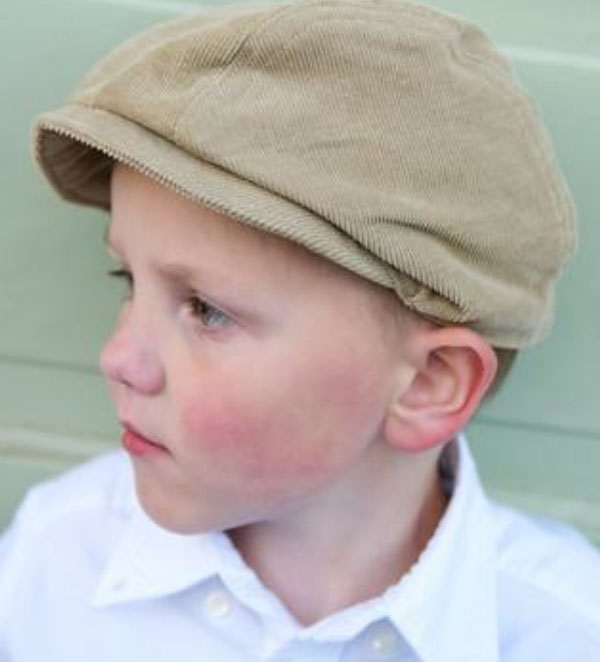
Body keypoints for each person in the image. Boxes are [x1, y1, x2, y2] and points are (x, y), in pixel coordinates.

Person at [1, 0, 599, 659]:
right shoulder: (54, 561)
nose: (117, 357)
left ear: (428, 384)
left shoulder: (563, 631)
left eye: (206, 310)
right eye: (127, 280)